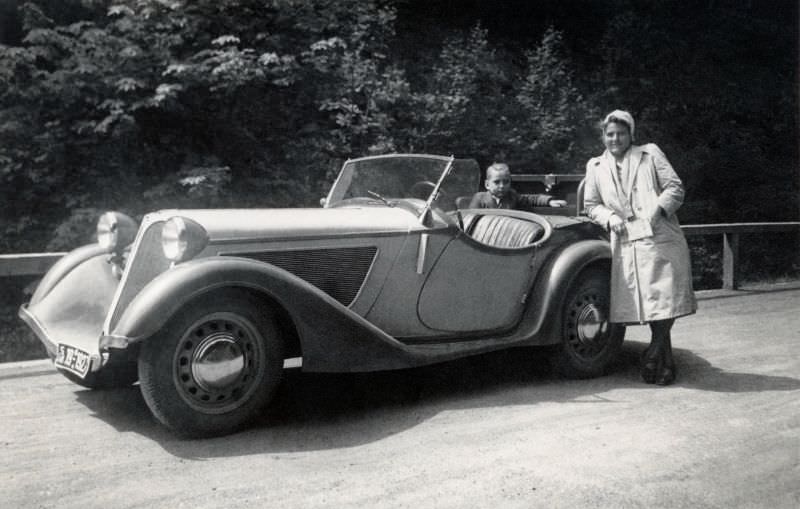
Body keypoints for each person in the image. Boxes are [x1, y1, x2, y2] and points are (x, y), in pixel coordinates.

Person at [583, 110, 697, 386]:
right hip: (626, 241)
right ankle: (665, 364)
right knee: (651, 304)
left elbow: (675, 188)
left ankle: (652, 352)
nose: (615, 139)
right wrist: (610, 218)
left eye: (621, 133)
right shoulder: (596, 165)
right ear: (603, 136)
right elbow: (591, 205)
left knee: (666, 299)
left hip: (659, 236)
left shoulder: (649, 154)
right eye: (610, 134)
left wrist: (657, 211)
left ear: (631, 134)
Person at [469, 163, 568, 209]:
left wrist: (549, 201)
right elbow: (470, 220)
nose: (502, 186)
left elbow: (531, 199)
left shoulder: (512, 196)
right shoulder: (479, 198)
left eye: (506, 182)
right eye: (496, 182)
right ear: (487, 184)